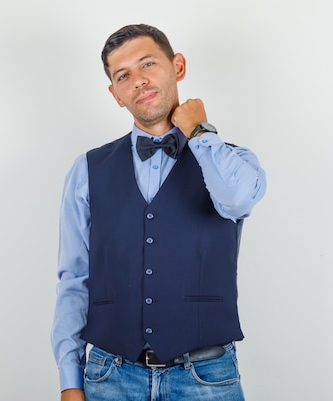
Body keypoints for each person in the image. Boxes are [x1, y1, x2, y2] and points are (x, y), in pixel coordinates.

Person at [51, 24, 266, 401]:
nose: (139, 80)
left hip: (206, 377)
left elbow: (237, 200)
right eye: (123, 75)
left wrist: (200, 132)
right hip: (110, 376)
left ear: (177, 66)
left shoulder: (232, 161)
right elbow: (74, 278)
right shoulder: (86, 171)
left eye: (148, 63)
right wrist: (70, 379)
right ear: (115, 93)